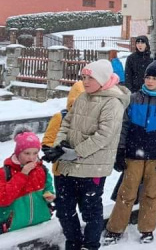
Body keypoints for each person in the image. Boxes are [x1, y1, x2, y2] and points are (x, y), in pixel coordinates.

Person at [47, 60, 130, 250]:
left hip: (92, 167)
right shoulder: (83, 97)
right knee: (64, 210)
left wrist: (75, 153)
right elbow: (66, 123)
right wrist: (59, 146)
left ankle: (90, 245)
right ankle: (73, 243)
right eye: (83, 77)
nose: (85, 81)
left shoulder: (113, 102)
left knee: (90, 211)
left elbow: (104, 136)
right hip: (68, 166)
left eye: (89, 77)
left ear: (101, 79)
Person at [104, 60, 156, 245]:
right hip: (133, 155)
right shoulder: (134, 98)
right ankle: (115, 229)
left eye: (154, 78)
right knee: (127, 193)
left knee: (151, 194)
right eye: (148, 77)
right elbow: (124, 126)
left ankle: (147, 229)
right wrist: (120, 151)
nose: (150, 81)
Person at [1, 127, 55, 233]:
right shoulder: (4, 172)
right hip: (14, 230)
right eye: (27, 153)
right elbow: (3, 199)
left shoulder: (41, 169)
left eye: (35, 153)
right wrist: (23, 174)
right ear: (18, 153)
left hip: (41, 225)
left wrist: (49, 194)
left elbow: (48, 186)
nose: (32, 158)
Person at [43, 80, 84, 176]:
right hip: (62, 171)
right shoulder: (60, 117)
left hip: (85, 171)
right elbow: (47, 142)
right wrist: (58, 150)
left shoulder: (94, 119)